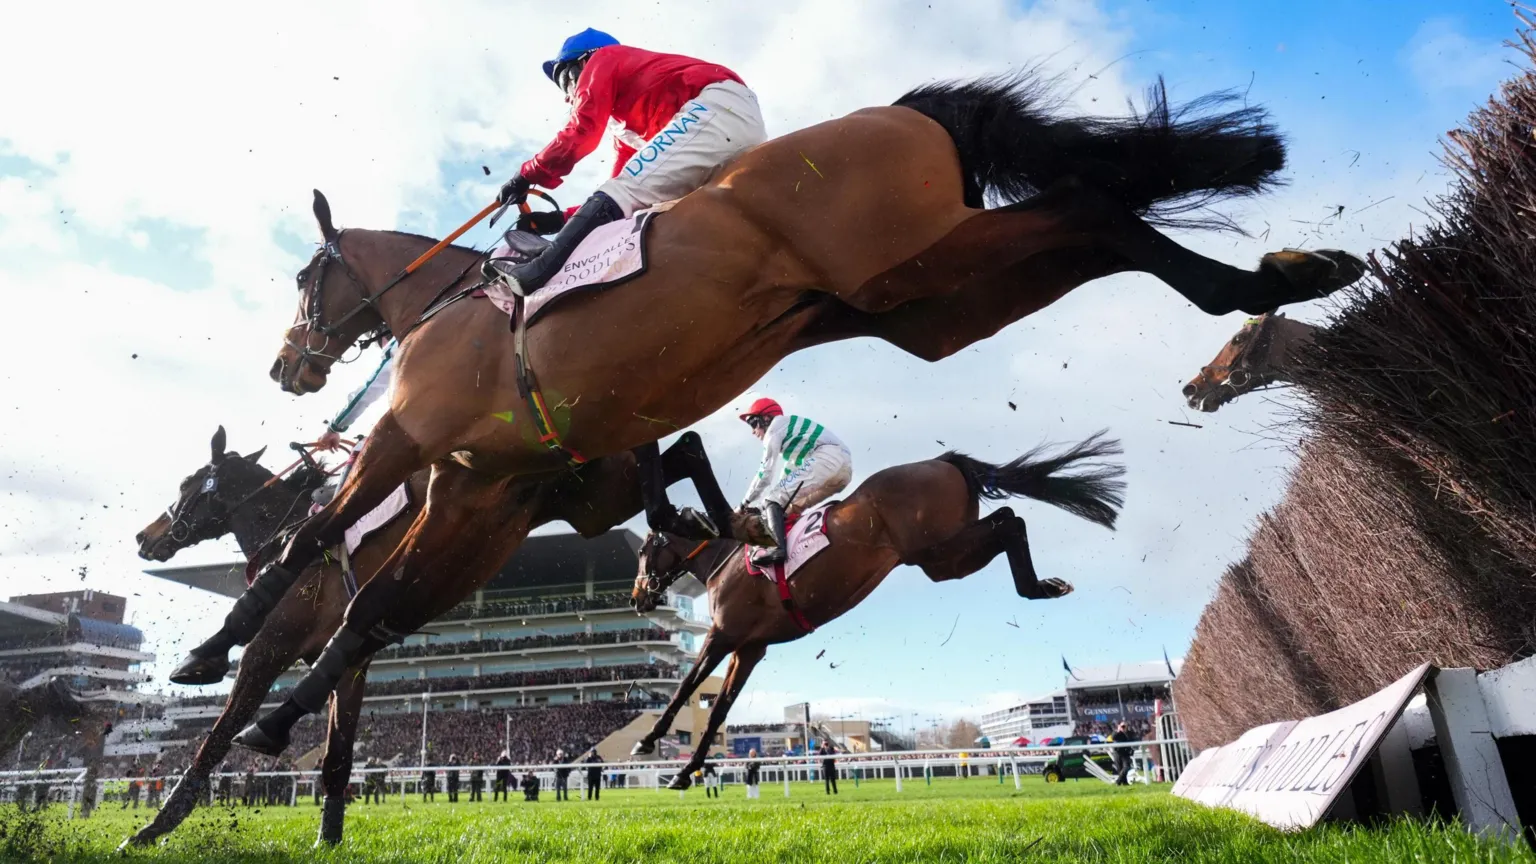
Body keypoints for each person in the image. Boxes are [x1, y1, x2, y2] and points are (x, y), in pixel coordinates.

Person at [487, 28, 767, 297]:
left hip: (717, 109)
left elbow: (581, 133)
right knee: (632, 202)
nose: (566, 95)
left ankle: (535, 273)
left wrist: (525, 175)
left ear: (584, 61)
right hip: (728, 124)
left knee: (625, 193)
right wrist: (561, 219)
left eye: (565, 80)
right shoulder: (627, 131)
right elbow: (619, 191)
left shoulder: (603, 59)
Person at [737, 398, 853, 565]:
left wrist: (743, 504)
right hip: (843, 471)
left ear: (767, 418)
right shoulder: (793, 443)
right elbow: (785, 482)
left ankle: (778, 549)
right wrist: (761, 508)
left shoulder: (775, 428)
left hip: (827, 457)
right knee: (787, 506)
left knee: (773, 499)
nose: (753, 431)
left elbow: (765, 473)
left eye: (753, 423)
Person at [1110, 721, 1137, 786]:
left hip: (1125, 753)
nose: (1124, 727)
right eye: (1122, 726)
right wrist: (1119, 730)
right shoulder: (1116, 732)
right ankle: (1124, 783)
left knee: (1126, 767)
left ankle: (1118, 781)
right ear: (1119, 726)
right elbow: (1113, 737)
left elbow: (1132, 739)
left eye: (1125, 726)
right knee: (1120, 770)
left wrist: (1125, 732)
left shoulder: (1129, 733)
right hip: (1117, 753)